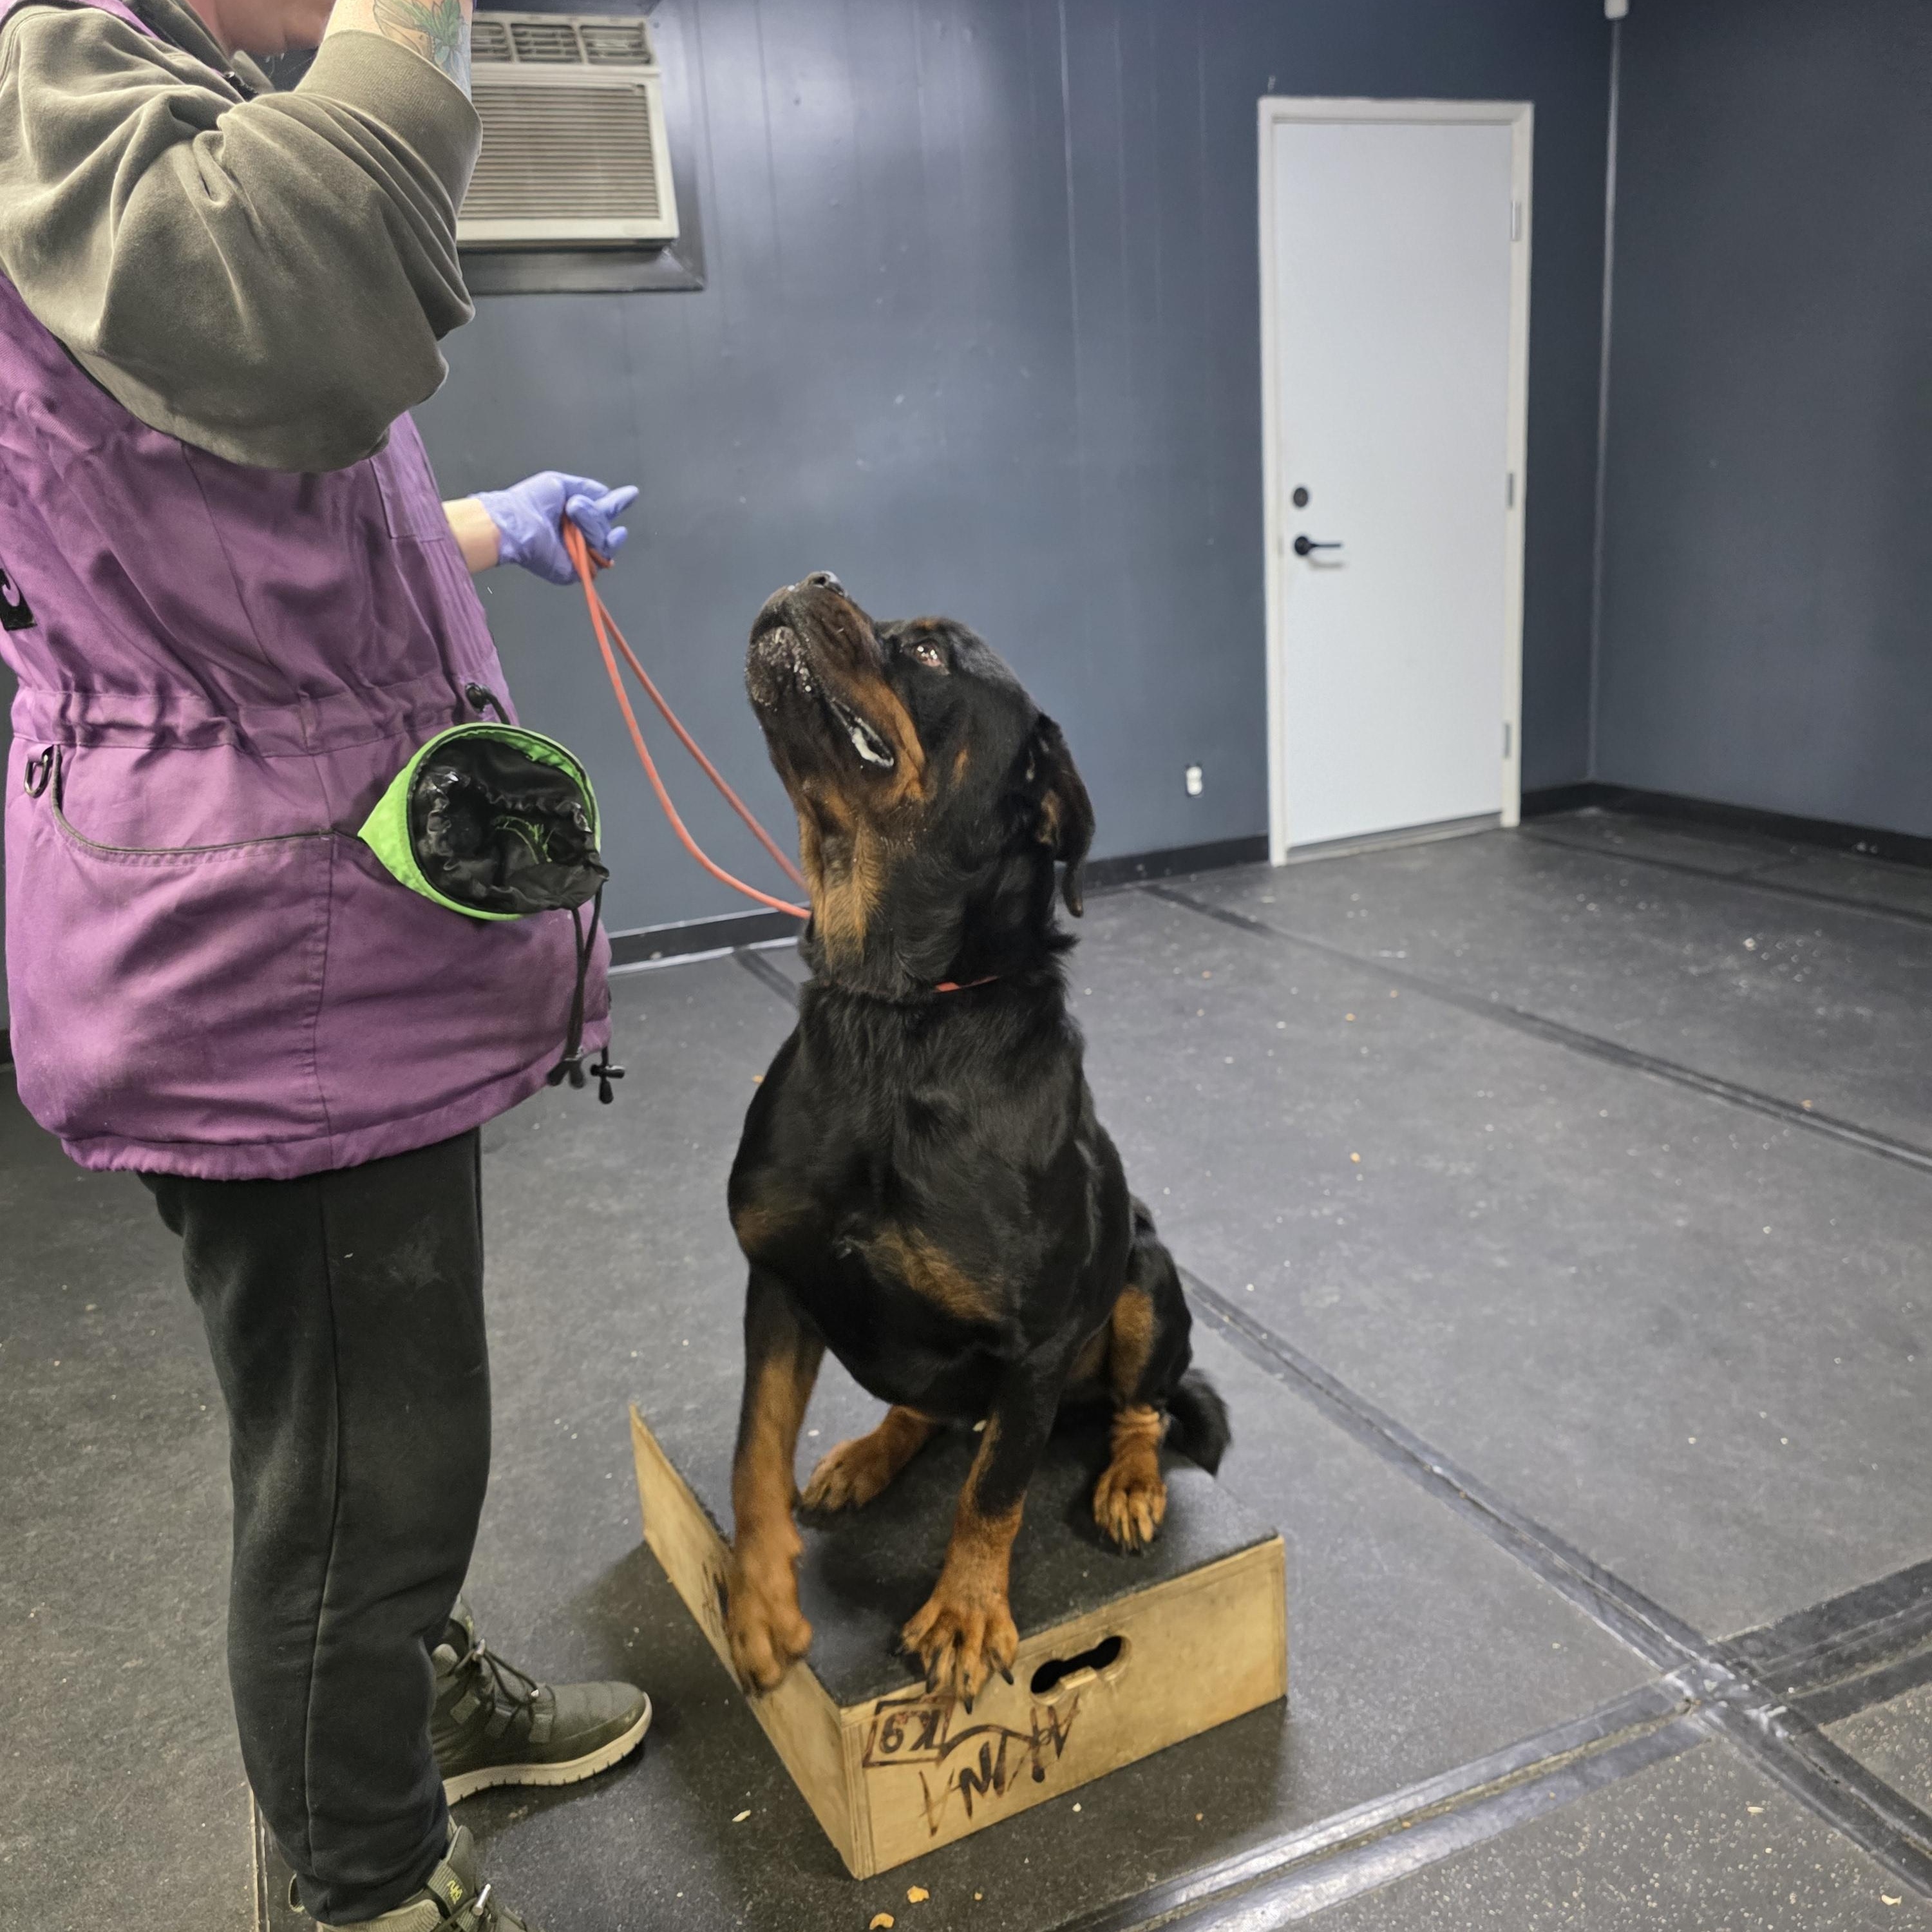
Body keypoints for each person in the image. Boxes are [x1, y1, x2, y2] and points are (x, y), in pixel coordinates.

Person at [0, 0, 649, 1921]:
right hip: (258, 956)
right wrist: (403, 22)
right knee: (356, 1481)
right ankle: (362, 1884)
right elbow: (300, 307)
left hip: (313, 939)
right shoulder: (38, 66)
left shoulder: (143, 123)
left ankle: (409, 1713)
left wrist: (470, 524)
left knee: (374, 1435)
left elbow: (200, 514)